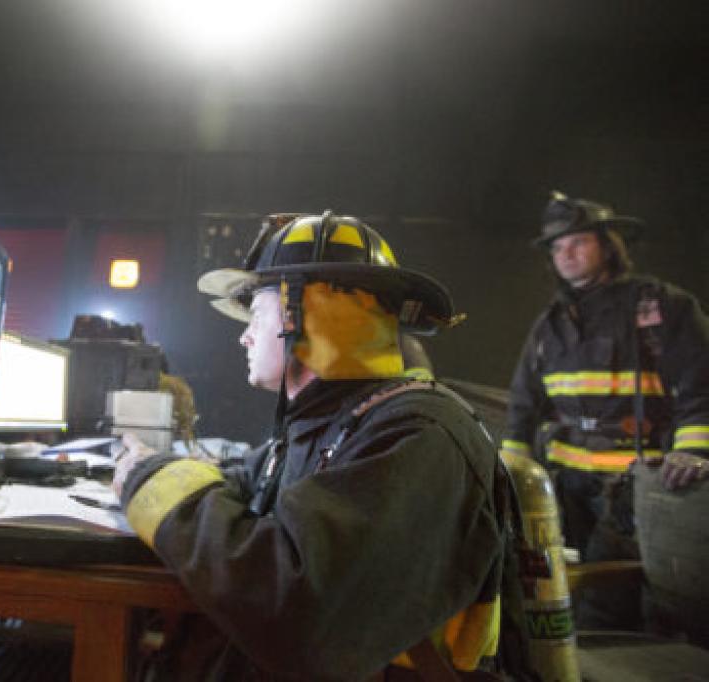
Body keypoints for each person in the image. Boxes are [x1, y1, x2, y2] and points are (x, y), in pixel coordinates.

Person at [113, 211, 520, 681]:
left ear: (308, 313)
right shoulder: (329, 425)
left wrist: (147, 481)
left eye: (257, 314)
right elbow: (240, 484)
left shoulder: (418, 438)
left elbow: (294, 609)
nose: (244, 335)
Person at [501, 191, 709, 629]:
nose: (566, 254)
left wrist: (696, 451)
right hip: (569, 492)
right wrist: (513, 472)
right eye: (557, 247)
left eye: (577, 242)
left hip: (641, 489)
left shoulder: (660, 309)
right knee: (574, 597)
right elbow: (523, 404)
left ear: (609, 243)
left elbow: (699, 387)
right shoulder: (551, 324)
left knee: (634, 610)